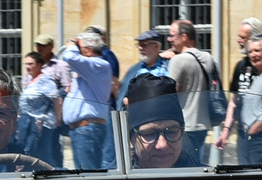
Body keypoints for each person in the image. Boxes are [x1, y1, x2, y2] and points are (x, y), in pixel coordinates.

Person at [222, 35, 262, 165]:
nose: (253, 55)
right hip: (255, 137)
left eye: (257, 51)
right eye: (250, 51)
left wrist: (253, 129)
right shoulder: (261, 74)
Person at [59, 31, 117, 170]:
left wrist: (72, 42)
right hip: (83, 130)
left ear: (89, 50)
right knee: (85, 175)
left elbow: (69, 57)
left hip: (87, 129)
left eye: (81, 49)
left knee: (89, 175)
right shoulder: (91, 69)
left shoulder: (97, 64)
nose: (78, 52)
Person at [167, 19, 222, 162]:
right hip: (203, 124)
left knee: (184, 167)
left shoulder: (178, 61)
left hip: (184, 125)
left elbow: (171, 94)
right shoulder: (208, 58)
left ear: (184, 37)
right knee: (198, 165)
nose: (169, 39)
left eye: (173, 35)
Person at [126, 76, 200, 169]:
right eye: (149, 134)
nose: (162, 145)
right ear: (131, 138)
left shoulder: (204, 179)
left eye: (172, 132)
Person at [17, 52, 63, 164]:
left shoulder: (45, 80)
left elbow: (57, 99)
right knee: (31, 154)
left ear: (40, 65)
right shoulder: (30, 80)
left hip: (42, 125)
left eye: (31, 64)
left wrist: (58, 119)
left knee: (43, 156)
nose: (27, 67)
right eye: (26, 64)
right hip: (29, 124)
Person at [120, 29, 172, 106]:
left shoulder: (168, 67)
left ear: (157, 46)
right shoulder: (134, 70)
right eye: (139, 45)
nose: (140, 48)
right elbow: (123, 97)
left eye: (144, 45)